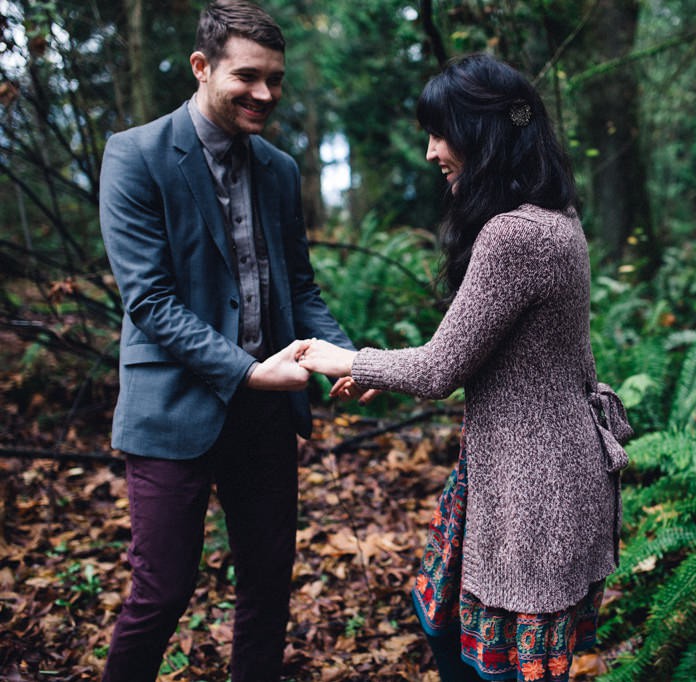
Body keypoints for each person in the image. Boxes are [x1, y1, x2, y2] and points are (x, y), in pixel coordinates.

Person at [297, 54, 632, 682]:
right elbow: (481, 355)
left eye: (440, 132)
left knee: (491, 666)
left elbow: (439, 368)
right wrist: (372, 370)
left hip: (534, 493)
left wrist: (340, 357)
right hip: (525, 474)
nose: (430, 152)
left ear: (483, 133)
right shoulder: (554, 218)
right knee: (444, 622)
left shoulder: (516, 235)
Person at [97, 2, 355, 680]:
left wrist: (348, 359)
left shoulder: (278, 169)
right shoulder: (135, 157)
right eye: (248, 77)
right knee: (161, 594)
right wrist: (246, 372)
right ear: (202, 67)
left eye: (276, 80)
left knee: (267, 590)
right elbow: (149, 300)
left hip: (265, 421)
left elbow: (299, 288)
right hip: (171, 412)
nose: (265, 95)